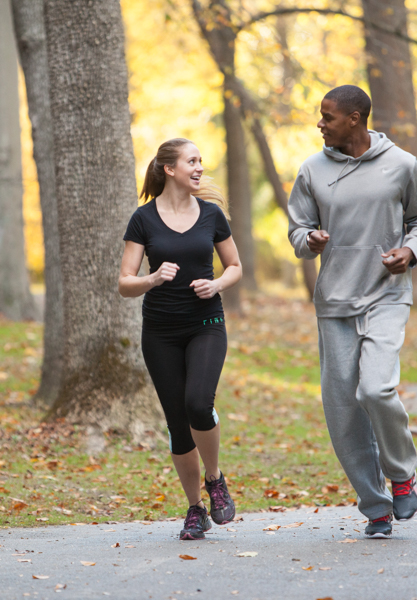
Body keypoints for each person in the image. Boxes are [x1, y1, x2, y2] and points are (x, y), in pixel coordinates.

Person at [287, 85, 417, 539]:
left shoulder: (402, 164)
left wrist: (409, 252)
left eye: (327, 117)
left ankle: (402, 474)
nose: (320, 124)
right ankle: (375, 507)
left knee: (375, 389)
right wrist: (308, 241)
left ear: (355, 118)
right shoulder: (312, 169)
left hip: (387, 294)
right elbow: (297, 228)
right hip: (334, 301)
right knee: (341, 409)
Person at [118, 138, 242, 540]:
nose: (199, 167)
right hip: (160, 333)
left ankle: (216, 478)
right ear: (169, 169)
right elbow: (124, 282)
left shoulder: (211, 215)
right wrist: (152, 279)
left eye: (201, 160)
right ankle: (195, 509)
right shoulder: (143, 219)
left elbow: (235, 265)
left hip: (206, 323)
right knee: (177, 424)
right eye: (192, 161)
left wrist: (217, 283)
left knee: (198, 403)